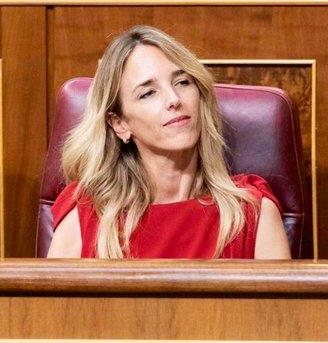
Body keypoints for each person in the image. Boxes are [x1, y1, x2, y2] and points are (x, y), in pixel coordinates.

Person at [47, 25, 290, 260]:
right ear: (119, 124)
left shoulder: (252, 212)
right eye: (148, 93)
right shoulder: (84, 211)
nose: (174, 99)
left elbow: (279, 304)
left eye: (182, 82)